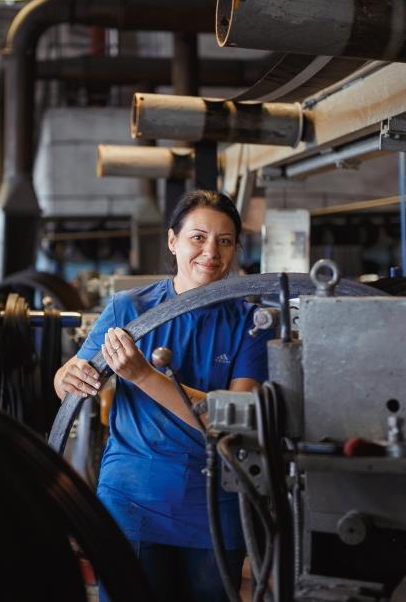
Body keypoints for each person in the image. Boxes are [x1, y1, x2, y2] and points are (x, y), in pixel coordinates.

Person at [54, 190, 272, 602]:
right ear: (173, 241)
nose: (211, 251)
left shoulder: (251, 323)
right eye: (198, 237)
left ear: (236, 248)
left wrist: (142, 375)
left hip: (215, 503)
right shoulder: (128, 309)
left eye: (225, 241)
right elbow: (67, 385)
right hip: (133, 499)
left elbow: (232, 423)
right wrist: (71, 376)